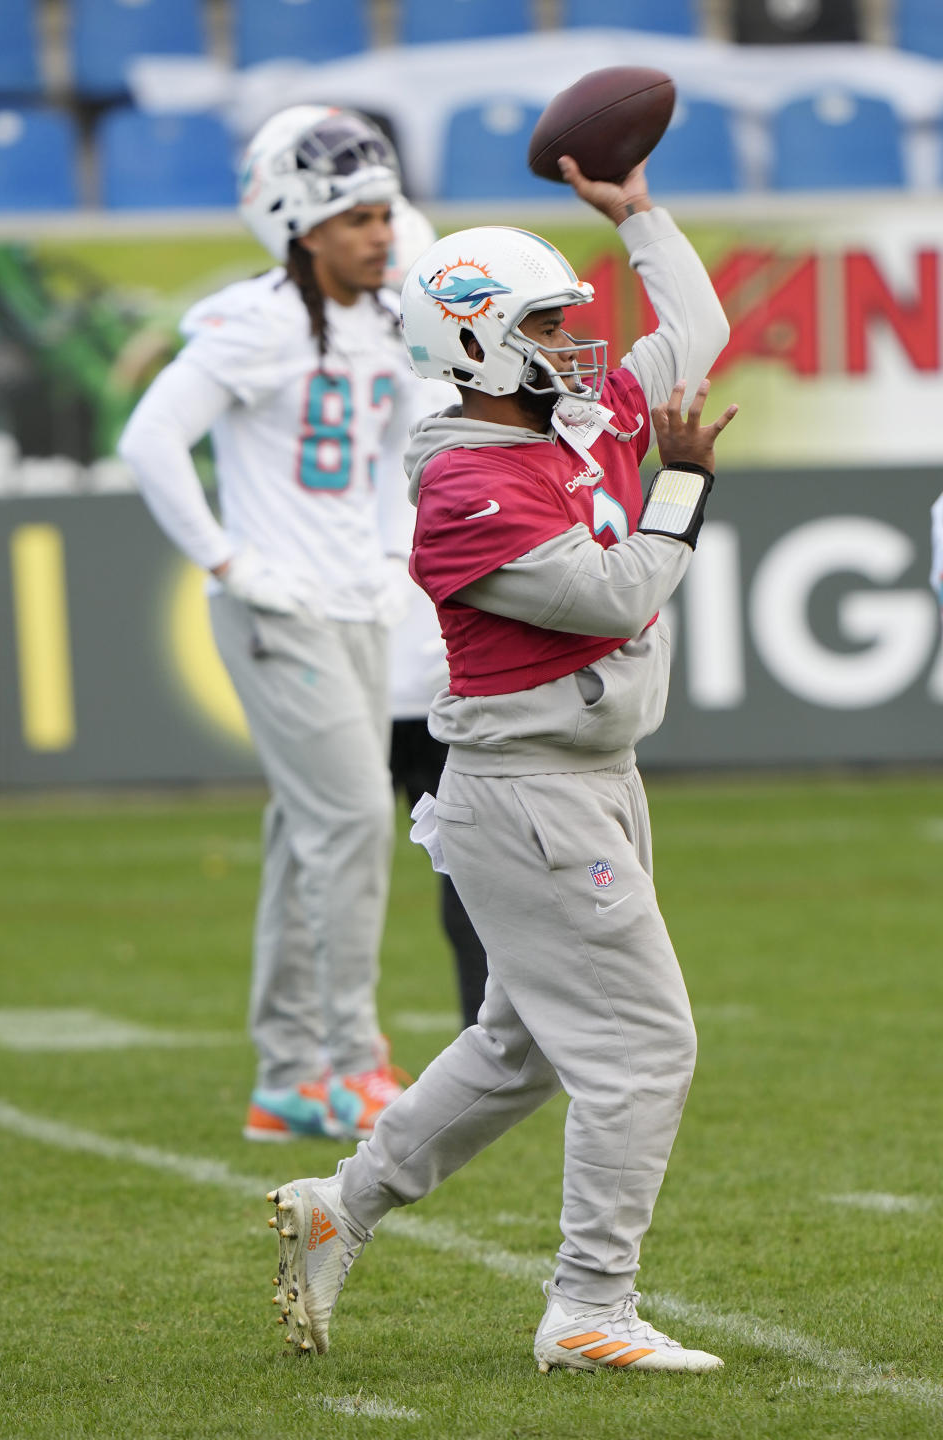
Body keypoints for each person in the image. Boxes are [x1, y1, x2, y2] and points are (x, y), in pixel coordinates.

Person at [266, 154, 737, 1374]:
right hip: (527, 792)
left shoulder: (571, 421)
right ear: (475, 343)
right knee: (643, 1049)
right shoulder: (466, 477)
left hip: (588, 775)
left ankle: (342, 1207)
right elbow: (611, 592)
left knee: (519, 1048)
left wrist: (640, 218)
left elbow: (697, 326)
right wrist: (681, 485)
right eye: (541, 325)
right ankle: (589, 1306)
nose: (575, 349)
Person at [118, 105, 422, 1142]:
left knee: (309, 834)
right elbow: (153, 438)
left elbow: (394, 451)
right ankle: (349, 1061)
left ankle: (288, 1075)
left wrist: (390, 554)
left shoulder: (384, 321)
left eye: (385, 213)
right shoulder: (253, 321)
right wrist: (228, 559)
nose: (382, 234)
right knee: (354, 821)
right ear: (299, 227)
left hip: (353, 600)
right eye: (357, 218)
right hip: (275, 609)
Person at [384, 200, 489, 1031]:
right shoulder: (444, 375)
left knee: (333, 858)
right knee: (473, 862)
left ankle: (320, 1056)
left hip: (379, 629)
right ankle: (490, 1037)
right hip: (412, 639)